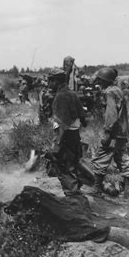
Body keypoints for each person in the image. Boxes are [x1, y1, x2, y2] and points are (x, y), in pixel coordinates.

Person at [91, 67, 129, 197]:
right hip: (122, 132)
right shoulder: (118, 90)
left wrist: (108, 133)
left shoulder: (110, 92)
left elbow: (111, 116)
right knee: (121, 157)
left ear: (104, 80)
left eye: (100, 79)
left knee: (102, 155)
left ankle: (96, 187)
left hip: (113, 133)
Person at [48, 68, 87, 196]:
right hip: (75, 136)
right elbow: (83, 117)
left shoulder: (61, 96)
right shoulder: (72, 93)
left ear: (57, 81)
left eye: (51, 81)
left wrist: (57, 144)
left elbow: (62, 125)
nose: (49, 84)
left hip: (65, 137)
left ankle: (73, 200)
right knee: (73, 166)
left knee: (65, 169)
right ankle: (77, 194)